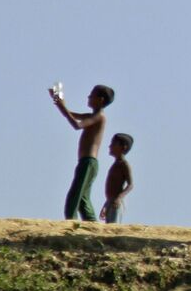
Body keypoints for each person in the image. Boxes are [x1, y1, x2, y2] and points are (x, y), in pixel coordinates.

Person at [49, 84, 113, 221]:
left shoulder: (99, 116)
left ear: (100, 100)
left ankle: (71, 221)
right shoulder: (92, 116)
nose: (88, 97)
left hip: (88, 162)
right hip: (86, 162)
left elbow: (77, 125)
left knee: (75, 195)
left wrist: (61, 105)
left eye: (92, 95)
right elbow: (70, 114)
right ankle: (92, 224)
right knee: (83, 200)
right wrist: (58, 101)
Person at [99, 134, 134, 224]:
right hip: (110, 202)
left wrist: (119, 198)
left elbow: (130, 185)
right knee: (108, 228)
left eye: (114, 144)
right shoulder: (115, 165)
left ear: (123, 147)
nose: (110, 146)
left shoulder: (124, 164)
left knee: (113, 227)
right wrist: (106, 204)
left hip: (116, 203)